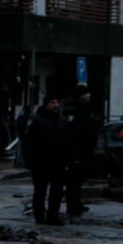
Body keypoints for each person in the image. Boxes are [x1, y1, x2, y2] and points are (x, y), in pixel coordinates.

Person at [25, 95, 70, 226]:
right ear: (46, 105)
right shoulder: (38, 121)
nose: (56, 105)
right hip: (41, 162)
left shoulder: (62, 121)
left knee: (57, 191)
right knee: (40, 191)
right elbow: (30, 143)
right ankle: (40, 216)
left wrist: (68, 158)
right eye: (52, 102)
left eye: (57, 102)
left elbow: (67, 141)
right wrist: (30, 160)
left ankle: (53, 216)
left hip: (58, 161)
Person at [65, 84, 99, 217]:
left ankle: (77, 203)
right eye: (86, 93)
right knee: (73, 180)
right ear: (80, 96)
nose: (89, 95)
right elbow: (72, 132)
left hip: (85, 149)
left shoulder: (85, 108)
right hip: (78, 150)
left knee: (79, 179)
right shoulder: (72, 111)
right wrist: (74, 152)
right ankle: (72, 205)